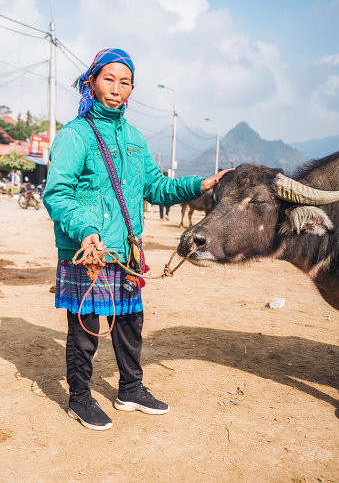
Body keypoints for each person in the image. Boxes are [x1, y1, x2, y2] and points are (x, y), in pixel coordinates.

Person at [43, 48, 230, 431]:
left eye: (124, 82)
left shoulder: (134, 138)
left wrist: (200, 184)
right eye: (108, 79)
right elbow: (57, 192)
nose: (116, 88)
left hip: (127, 251)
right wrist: (87, 230)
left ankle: (131, 389)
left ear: (132, 89)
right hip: (89, 251)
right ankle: (79, 397)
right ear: (91, 82)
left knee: (130, 323)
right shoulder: (75, 135)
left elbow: (156, 186)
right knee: (85, 330)